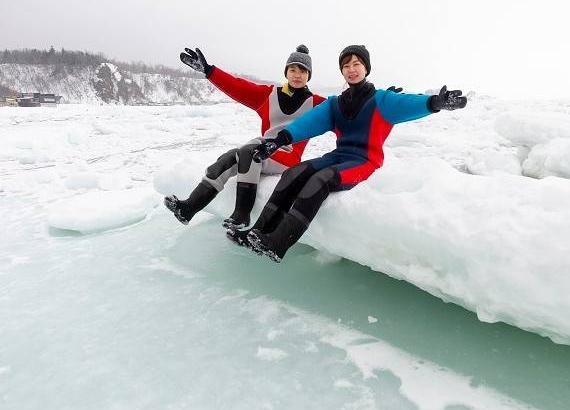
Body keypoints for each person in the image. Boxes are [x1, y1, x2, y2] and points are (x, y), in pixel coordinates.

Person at [226, 44, 467, 262]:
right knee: (294, 173)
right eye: (346, 66)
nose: (351, 70)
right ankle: (257, 232)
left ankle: (277, 243)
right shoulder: (336, 103)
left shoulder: (382, 99)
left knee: (319, 180)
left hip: (364, 161)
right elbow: (309, 122)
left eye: (356, 64)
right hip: (339, 156)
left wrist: (437, 103)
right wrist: (279, 141)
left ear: (366, 68)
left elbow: (411, 104)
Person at [164, 45, 326, 229]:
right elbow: (237, 86)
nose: (297, 74)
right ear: (286, 72)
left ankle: (242, 215)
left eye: (303, 71)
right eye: (293, 69)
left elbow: (343, 113)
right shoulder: (269, 94)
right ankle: (188, 208)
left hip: (287, 157)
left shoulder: (318, 104)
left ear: (309, 75)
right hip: (261, 150)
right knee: (227, 159)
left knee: (249, 152)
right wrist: (209, 71)